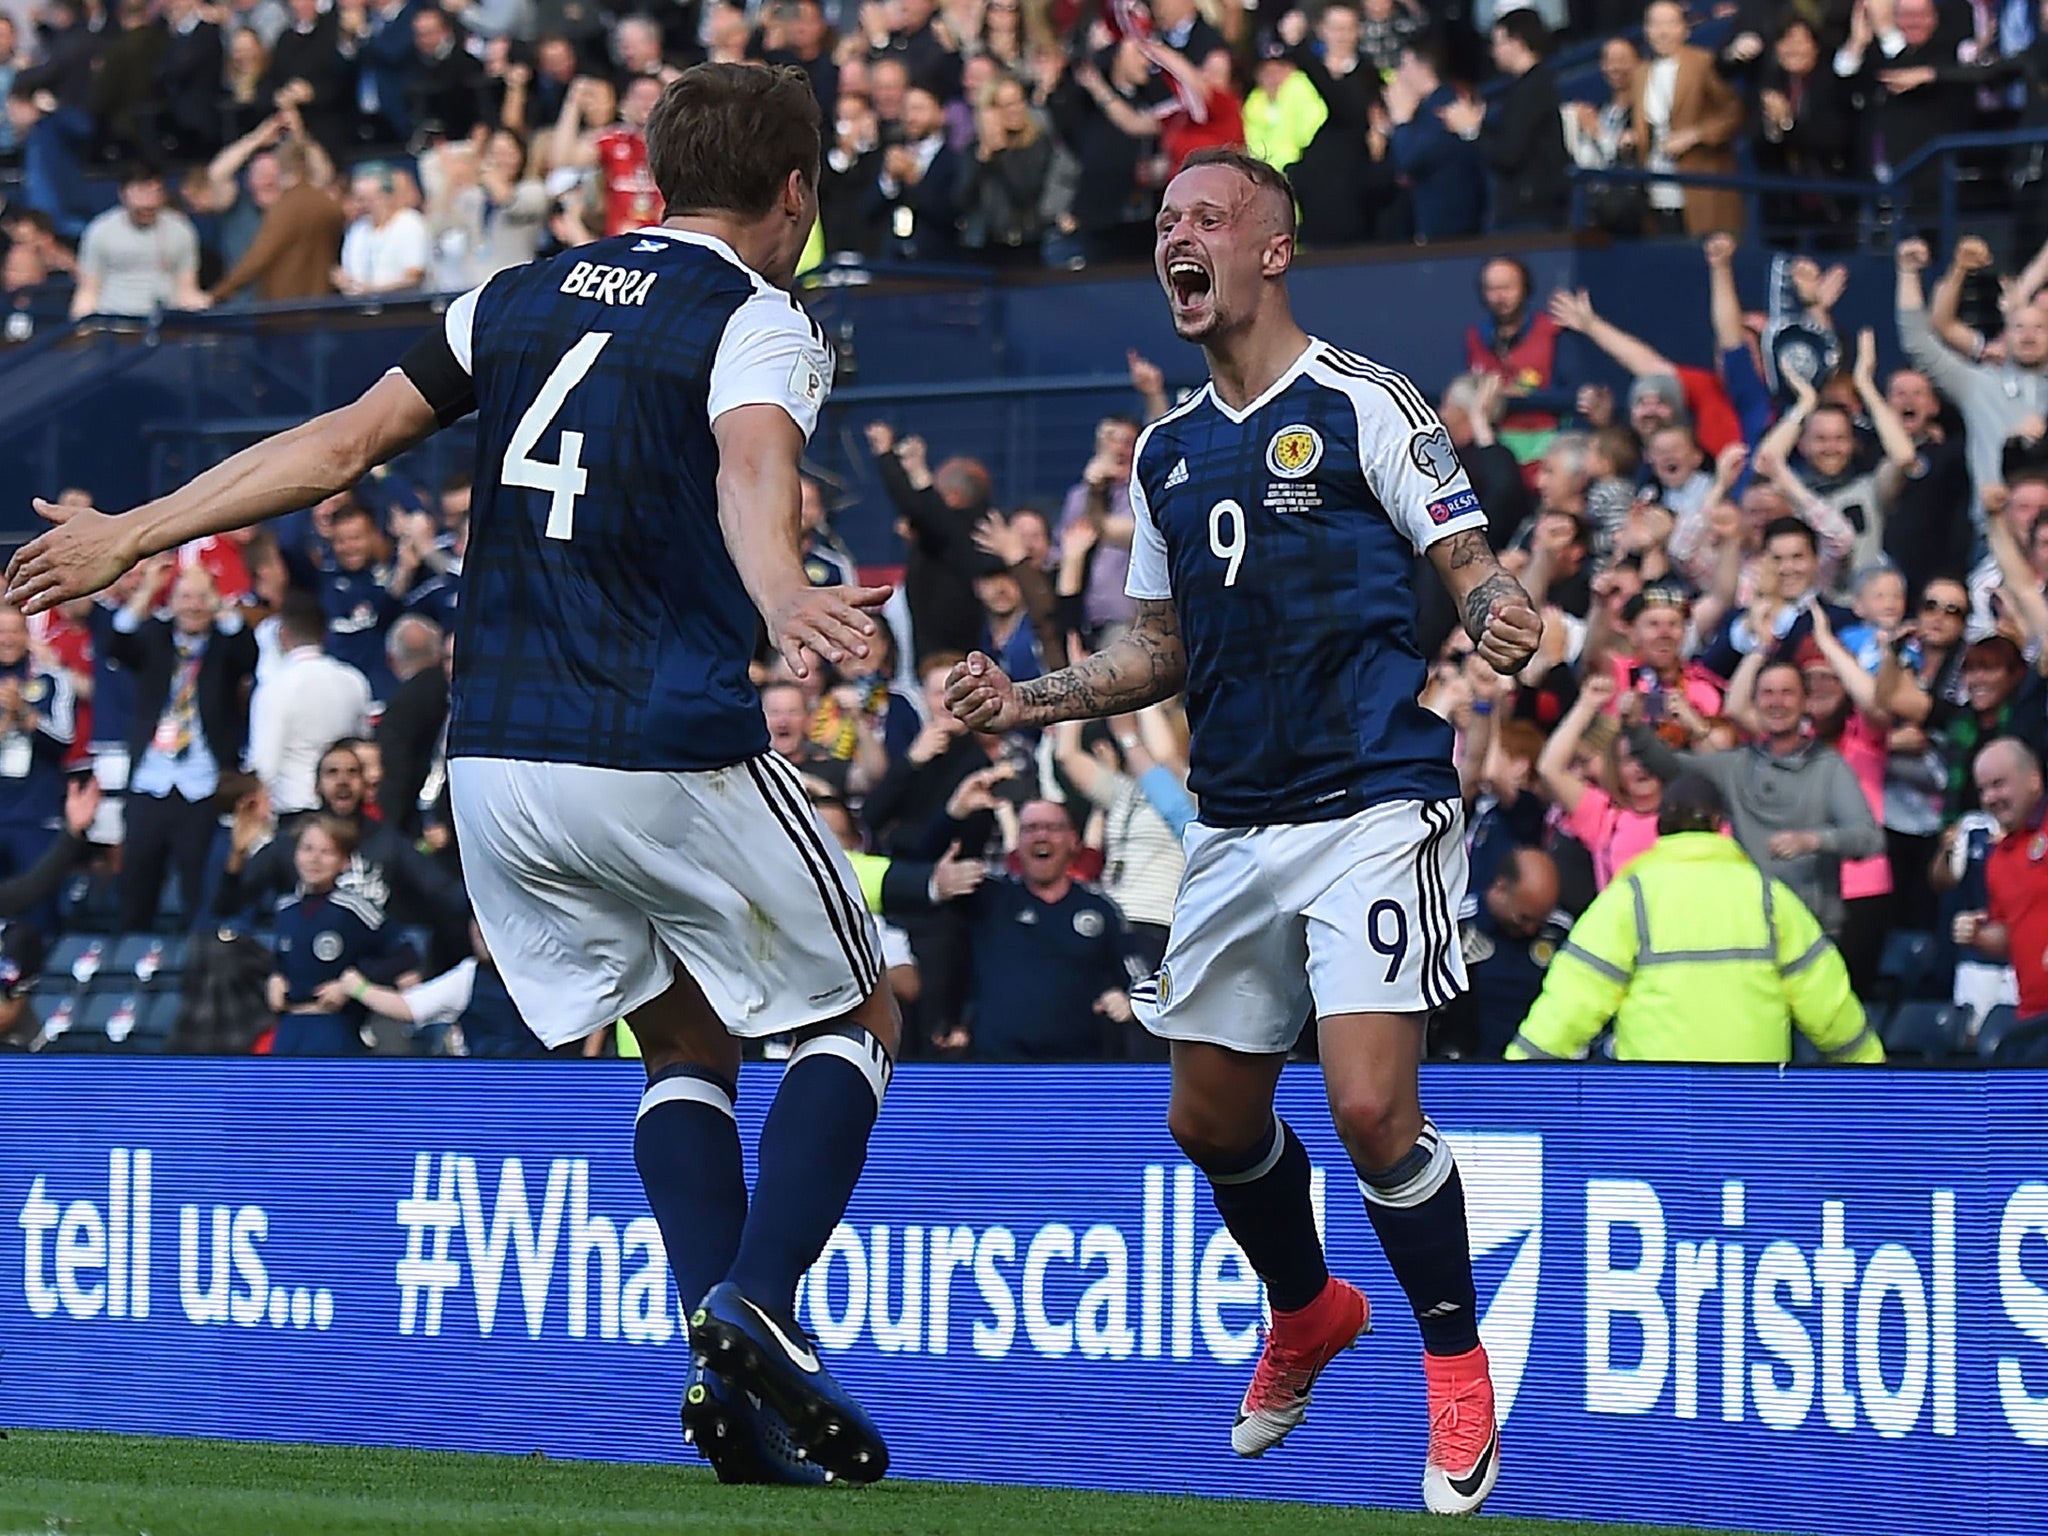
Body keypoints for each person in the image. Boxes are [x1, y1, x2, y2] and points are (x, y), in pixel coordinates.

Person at [7, 63, 897, 1491]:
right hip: (656, 741)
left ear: (652, 175)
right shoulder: (759, 316)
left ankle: (718, 1366)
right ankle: (762, 1303)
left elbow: (341, 447)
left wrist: (137, 532)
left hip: (492, 767)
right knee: (856, 1015)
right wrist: (788, 592)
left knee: (680, 1045)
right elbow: (748, 470)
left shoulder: (518, 291)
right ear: (796, 190)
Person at [944, 148, 1541, 1515]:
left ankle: (1455, 1367)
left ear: (1272, 250)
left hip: (1375, 801)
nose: (1177, 238)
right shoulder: (1165, 452)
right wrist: (1024, 698)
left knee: (1370, 1105)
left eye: (1207, 218)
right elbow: (1154, 648)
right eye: (1162, 221)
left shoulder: (1359, 402)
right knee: (1210, 1118)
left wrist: (1502, 608)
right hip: (1238, 818)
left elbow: (1468, 559)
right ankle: (1309, 1305)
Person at [1506, 775, 1882, 1064]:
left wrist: (1511, 1080)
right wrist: (1873, 1069)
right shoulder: (1768, 899)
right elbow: (1828, 1005)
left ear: (1659, 828)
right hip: (1753, 1109)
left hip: (1658, 1109)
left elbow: (1570, 1004)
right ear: (1721, 824)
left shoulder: (1629, 900)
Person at [106, 560, 260, 932]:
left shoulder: (224, 647)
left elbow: (249, 654)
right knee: (137, 884)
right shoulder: (156, 639)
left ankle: (194, 968)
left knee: (197, 888)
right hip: (150, 780)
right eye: (185, 597)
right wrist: (146, 592)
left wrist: (221, 605)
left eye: (202, 597)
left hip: (202, 785)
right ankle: (130, 961)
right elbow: (116, 642)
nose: (194, 605)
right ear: (170, 602)